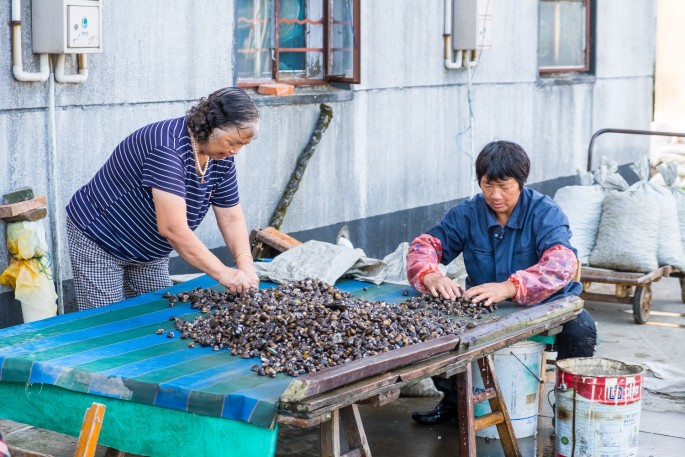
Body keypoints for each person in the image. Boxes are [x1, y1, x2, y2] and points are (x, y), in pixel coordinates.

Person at [406, 140, 597, 425]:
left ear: (521, 183)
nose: (495, 195)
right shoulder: (467, 214)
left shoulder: (545, 212)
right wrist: (430, 274)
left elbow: (563, 263)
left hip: (546, 303)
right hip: (485, 306)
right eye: (487, 185)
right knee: (429, 325)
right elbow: (426, 244)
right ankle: (455, 401)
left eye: (504, 187)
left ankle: (568, 408)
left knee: (581, 328)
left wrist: (510, 287)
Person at [66, 87, 260, 310]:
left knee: (158, 314)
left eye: (241, 145)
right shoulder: (167, 148)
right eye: (232, 142)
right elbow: (173, 229)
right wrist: (224, 274)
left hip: (150, 248)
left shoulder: (221, 156)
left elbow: (231, 217)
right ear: (211, 126)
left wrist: (245, 265)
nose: (235, 151)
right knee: (105, 322)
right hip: (101, 239)